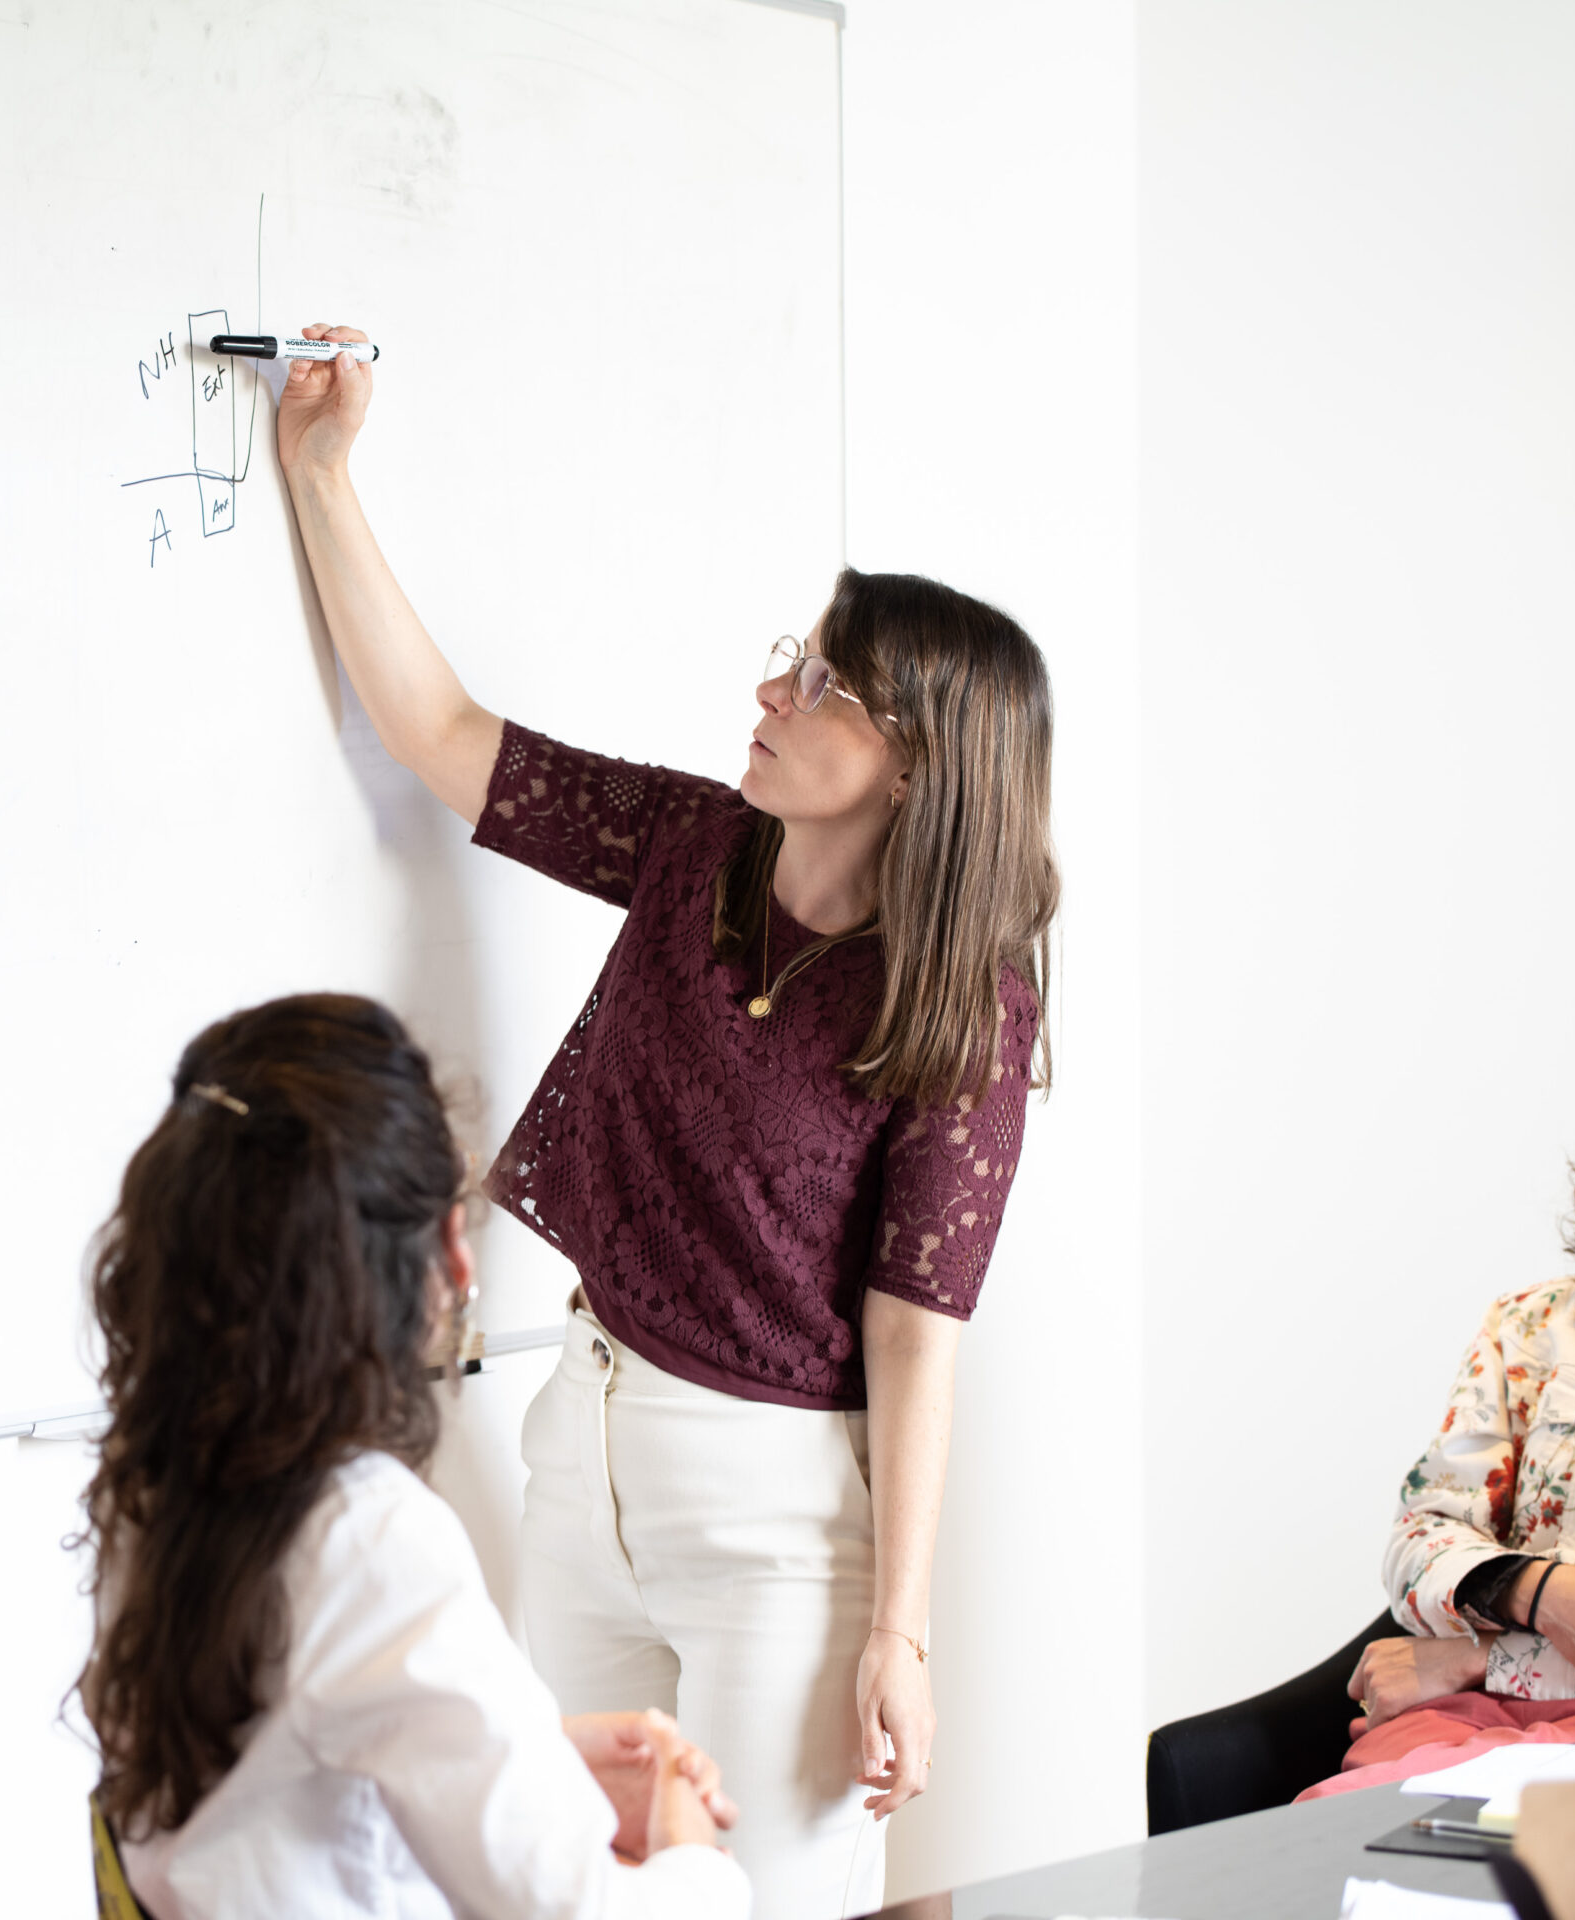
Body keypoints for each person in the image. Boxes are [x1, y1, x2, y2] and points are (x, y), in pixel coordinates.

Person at [272, 325, 1059, 1917]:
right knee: (562, 1892)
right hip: (587, 1445)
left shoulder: (957, 1004)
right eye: (796, 652)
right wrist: (321, 474)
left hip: (779, 1519)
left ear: (919, 769)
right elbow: (444, 739)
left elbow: (915, 1335)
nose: (771, 689)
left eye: (822, 681)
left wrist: (899, 1633)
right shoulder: (691, 842)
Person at [78, 993, 751, 1920]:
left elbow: (282, 1779)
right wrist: (695, 1852)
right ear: (441, 1258)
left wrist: (533, 1755)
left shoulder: (156, 1465)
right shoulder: (362, 1534)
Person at [1357, 1177, 1575, 1727]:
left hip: (1502, 1699)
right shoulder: (1527, 1325)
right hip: (1490, 1724)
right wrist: (1537, 1591)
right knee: (1342, 1810)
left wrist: (1476, 1658)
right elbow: (1420, 1535)